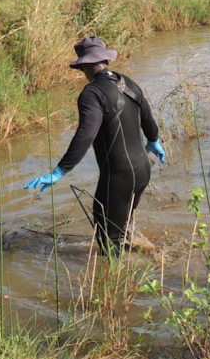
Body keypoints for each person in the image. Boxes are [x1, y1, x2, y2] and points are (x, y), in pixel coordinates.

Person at [24, 36, 166, 255]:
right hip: (143, 169)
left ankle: (116, 284)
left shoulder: (91, 94)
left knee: (107, 237)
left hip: (118, 175)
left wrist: (60, 171)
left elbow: (85, 134)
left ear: (85, 65)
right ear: (105, 60)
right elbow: (147, 118)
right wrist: (154, 141)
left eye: (82, 69)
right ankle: (143, 258)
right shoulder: (130, 83)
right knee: (123, 227)